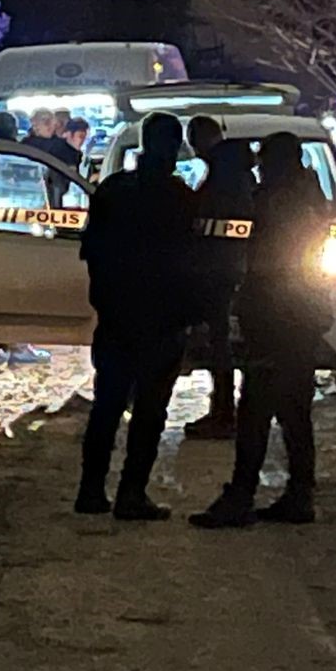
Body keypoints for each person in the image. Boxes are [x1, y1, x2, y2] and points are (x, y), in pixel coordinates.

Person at [190, 132, 331, 529]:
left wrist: (248, 307)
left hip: (277, 318)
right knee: (294, 411)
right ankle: (299, 495)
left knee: (255, 410)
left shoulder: (279, 202)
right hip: (300, 316)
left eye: (265, 162)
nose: (260, 170)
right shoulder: (307, 196)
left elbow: (268, 264)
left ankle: (241, 497)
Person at [76, 111, 199, 520]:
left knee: (107, 406)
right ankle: (131, 493)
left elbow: (91, 249)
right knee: (149, 411)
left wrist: (106, 298)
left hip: (117, 317)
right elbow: (190, 260)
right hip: (161, 321)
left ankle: (91, 491)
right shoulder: (179, 197)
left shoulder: (113, 189)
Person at [184, 117, 257, 439]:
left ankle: (225, 414)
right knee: (230, 343)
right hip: (238, 269)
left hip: (220, 272)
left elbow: (209, 221)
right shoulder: (237, 171)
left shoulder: (224, 175)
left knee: (221, 344)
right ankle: (229, 411)